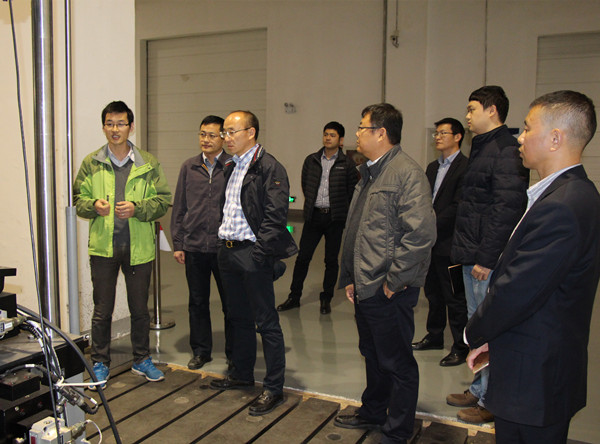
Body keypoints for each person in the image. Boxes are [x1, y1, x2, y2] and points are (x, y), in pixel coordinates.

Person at [465, 90, 600, 443]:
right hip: (533, 366)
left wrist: (473, 332)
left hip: (534, 380)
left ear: (556, 138)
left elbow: (517, 289)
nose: (520, 138)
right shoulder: (567, 194)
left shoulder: (563, 206)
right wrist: (494, 340)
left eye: (527, 128)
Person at [334, 103, 436, 444]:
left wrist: (395, 281)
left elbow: (420, 234)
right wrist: (351, 276)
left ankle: (398, 431)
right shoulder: (371, 172)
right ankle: (374, 412)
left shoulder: (406, 173)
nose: (357, 134)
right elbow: (360, 229)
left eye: (362, 128)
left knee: (397, 363)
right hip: (366, 283)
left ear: (381, 133)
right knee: (373, 354)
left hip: (388, 287)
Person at [74, 100, 171, 389]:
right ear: (103, 127)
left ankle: (141, 359)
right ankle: (100, 362)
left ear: (131, 126)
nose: (115, 129)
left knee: (140, 309)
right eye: (110, 124)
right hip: (103, 248)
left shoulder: (148, 163)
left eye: (120, 124)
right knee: (102, 310)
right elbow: (79, 200)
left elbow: (162, 200)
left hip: (139, 248)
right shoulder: (91, 163)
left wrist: (137, 209)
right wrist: (94, 205)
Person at [446, 86, 529, 423]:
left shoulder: (506, 150)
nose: (467, 116)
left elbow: (506, 209)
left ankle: (493, 399)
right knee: (476, 325)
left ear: (492, 110)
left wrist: (487, 258)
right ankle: (480, 388)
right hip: (471, 252)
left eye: (472, 109)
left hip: (485, 259)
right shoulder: (483, 147)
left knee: (490, 329)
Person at [209, 111, 297, 417]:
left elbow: (275, 217)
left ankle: (274, 388)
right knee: (237, 318)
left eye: (232, 132)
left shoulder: (269, 167)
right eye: (225, 132)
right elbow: (228, 209)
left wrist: (259, 254)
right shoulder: (230, 166)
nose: (226, 138)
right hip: (228, 252)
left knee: (266, 322)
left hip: (252, 253)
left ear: (251, 132)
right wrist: (221, 246)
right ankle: (242, 374)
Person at [171, 115, 232, 370]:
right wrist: (178, 243)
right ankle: (201, 351)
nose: (206, 140)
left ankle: (234, 353)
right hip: (194, 246)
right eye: (202, 134)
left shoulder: (231, 166)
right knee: (197, 302)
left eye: (212, 135)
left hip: (224, 247)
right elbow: (179, 206)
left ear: (223, 138)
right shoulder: (189, 167)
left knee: (231, 303)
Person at [277, 121, 358, 314]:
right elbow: (306, 185)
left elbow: (352, 191)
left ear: (341, 140)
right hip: (314, 217)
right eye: (326, 134)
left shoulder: (347, 164)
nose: (328, 138)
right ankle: (294, 297)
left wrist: (342, 210)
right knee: (303, 258)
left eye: (332, 135)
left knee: (331, 260)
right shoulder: (311, 160)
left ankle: (326, 298)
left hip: (335, 219)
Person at [412, 118, 469, 367]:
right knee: (433, 293)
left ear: (457, 137)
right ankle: (434, 336)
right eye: (436, 133)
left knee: (454, 298)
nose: (437, 137)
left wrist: (431, 222)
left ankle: (460, 346)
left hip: (451, 243)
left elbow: (459, 206)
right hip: (431, 243)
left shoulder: (466, 167)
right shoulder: (433, 167)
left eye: (443, 133)